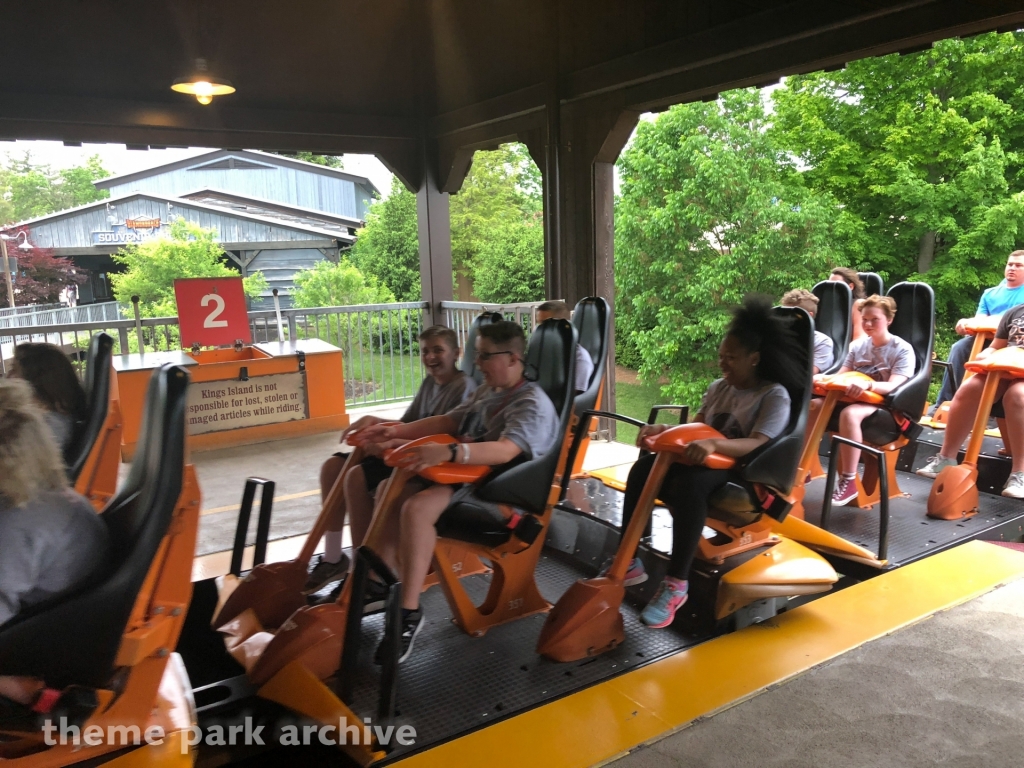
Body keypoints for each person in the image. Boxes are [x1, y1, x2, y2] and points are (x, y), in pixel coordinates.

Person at [354, 320, 559, 661]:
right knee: (391, 489)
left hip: (501, 496)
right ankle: (377, 581)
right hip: (467, 480)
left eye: (485, 356)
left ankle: (408, 612)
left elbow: (505, 451)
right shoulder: (487, 391)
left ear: (513, 358)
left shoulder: (530, 404)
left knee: (416, 508)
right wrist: (395, 432)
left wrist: (450, 452)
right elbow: (448, 421)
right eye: (477, 355)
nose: (477, 363)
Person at [613, 296, 806, 629]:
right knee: (643, 469)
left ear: (754, 358)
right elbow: (698, 427)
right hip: (706, 464)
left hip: (744, 474)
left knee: (690, 485)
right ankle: (627, 560)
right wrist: (664, 430)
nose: (723, 364)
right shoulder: (719, 388)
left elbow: (758, 444)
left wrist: (716, 443)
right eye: (721, 357)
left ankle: (676, 584)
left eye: (731, 358)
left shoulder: (773, 395)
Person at [304, 326, 477, 594]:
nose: (430, 357)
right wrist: (375, 423)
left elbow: (442, 435)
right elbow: (407, 424)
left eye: (438, 350)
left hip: (430, 463)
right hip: (407, 451)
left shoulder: (463, 387)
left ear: (456, 353)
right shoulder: (430, 383)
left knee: (356, 477)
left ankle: (368, 572)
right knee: (333, 468)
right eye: (425, 351)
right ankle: (334, 557)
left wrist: (389, 443)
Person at [0, 379, 109, 706]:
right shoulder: (47, 499)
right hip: (60, 618)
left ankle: (18, 690)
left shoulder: (17, 524)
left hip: (37, 639)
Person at [917, 301, 1024, 498]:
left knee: (1017, 395)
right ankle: (946, 458)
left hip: (1020, 376)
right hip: (1007, 368)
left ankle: (1020, 474)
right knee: (970, 388)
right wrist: (986, 355)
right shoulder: (1015, 312)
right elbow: (996, 346)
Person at [823, 295, 915, 506]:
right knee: (814, 406)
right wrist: (823, 379)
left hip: (886, 407)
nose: (868, 324)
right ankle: (801, 468)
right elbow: (842, 374)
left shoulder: (902, 349)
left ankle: (848, 480)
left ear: (889, 320)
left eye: (875, 319)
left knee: (850, 414)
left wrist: (868, 385)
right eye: (865, 319)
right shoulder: (857, 346)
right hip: (854, 399)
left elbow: (895, 386)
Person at [932, 250, 1024, 410]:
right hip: (987, 340)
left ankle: (991, 410)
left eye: (1018, 265)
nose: (1012, 268)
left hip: (1013, 343)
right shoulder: (990, 294)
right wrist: (964, 323)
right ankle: (945, 404)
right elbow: (979, 320)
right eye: (1010, 264)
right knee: (959, 347)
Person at [6, 343, 87, 455]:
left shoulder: (52, 426)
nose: (8, 376)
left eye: (14, 370)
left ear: (37, 380)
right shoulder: (41, 419)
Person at [536, 301, 595, 393]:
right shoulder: (540, 353)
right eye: (539, 324)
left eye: (545, 325)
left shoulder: (580, 359)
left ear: (563, 325)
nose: (539, 330)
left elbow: (570, 399)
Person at [781, 289, 833, 374]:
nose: (786, 319)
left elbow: (808, 375)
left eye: (792, 315)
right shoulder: (778, 337)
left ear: (808, 315)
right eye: (784, 314)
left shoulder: (822, 342)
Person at [829, 267, 867, 341]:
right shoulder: (826, 306)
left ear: (850, 286)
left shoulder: (858, 304)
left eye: (838, 285)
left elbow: (860, 338)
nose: (833, 289)